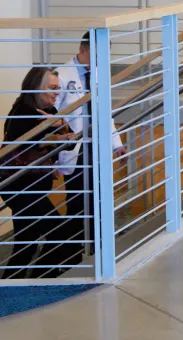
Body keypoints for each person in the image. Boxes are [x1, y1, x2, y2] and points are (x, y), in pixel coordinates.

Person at [54, 32, 126, 258]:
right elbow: (52, 117)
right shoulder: (61, 75)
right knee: (77, 198)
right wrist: (53, 154)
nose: (99, 60)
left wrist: (116, 144)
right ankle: (73, 251)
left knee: (99, 196)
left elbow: (105, 112)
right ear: (82, 49)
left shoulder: (98, 74)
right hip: (75, 146)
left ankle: (97, 246)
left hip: (97, 145)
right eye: (95, 54)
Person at [1, 67, 77, 278]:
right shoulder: (21, 111)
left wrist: (61, 126)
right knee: (60, 235)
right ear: (36, 88)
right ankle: (40, 281)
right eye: (52, 88)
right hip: (19, 187)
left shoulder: (50, 111)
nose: (57, 93)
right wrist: (56, 136)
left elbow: (71, 143)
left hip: (34, 185)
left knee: (26, 244)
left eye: (58, 88)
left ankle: (14, 287)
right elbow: (29, 143)